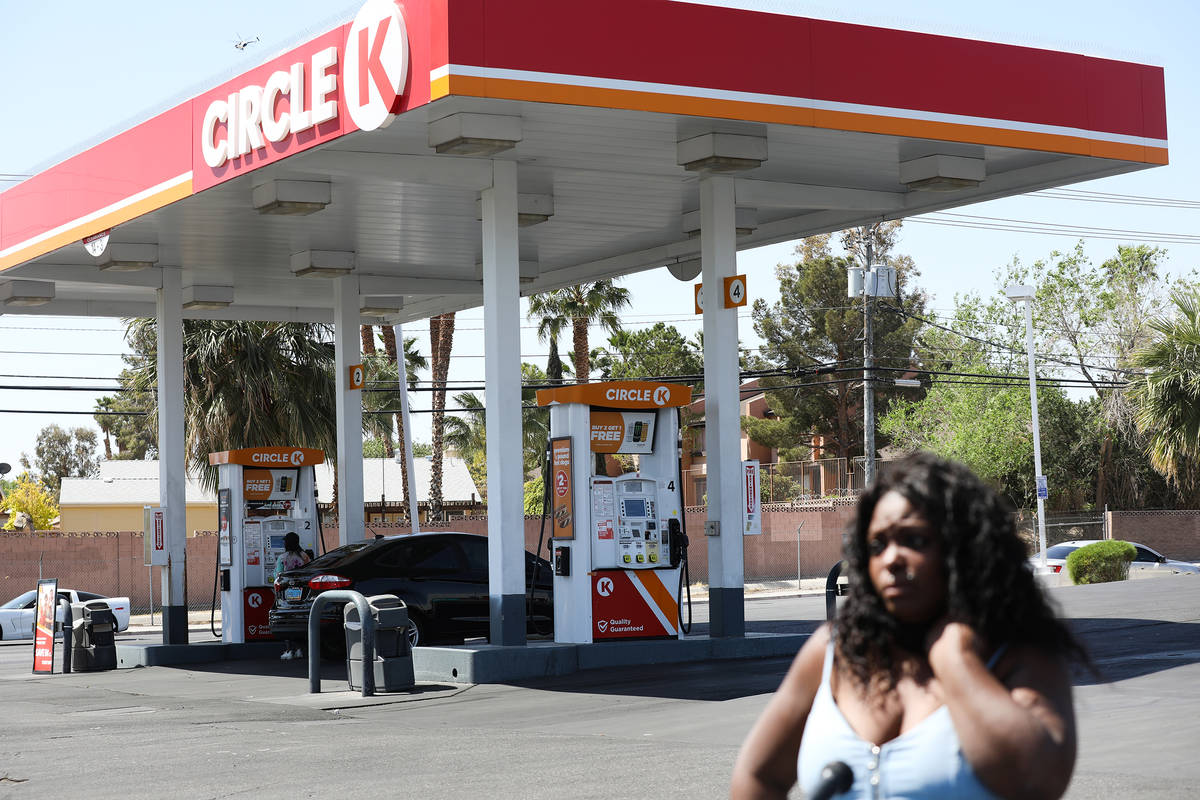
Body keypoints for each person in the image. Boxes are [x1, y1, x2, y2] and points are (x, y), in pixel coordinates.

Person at [731, 452, 1086, 800]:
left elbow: (1037, 780)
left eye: (914, 540)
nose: (891, 559)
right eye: (877, 544)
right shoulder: (834, 650)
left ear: (964, 549)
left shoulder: (1017, 654)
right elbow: (758, 776)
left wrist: (954, 657)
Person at [275, 531, 311, 661]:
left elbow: (278, 575)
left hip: (287, 592)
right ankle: (301, 649)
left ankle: (289, 650)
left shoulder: (282, 558)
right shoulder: (305, 556)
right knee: (299, 620)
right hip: (303, 592)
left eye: (285, 541)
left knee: (287, 622)